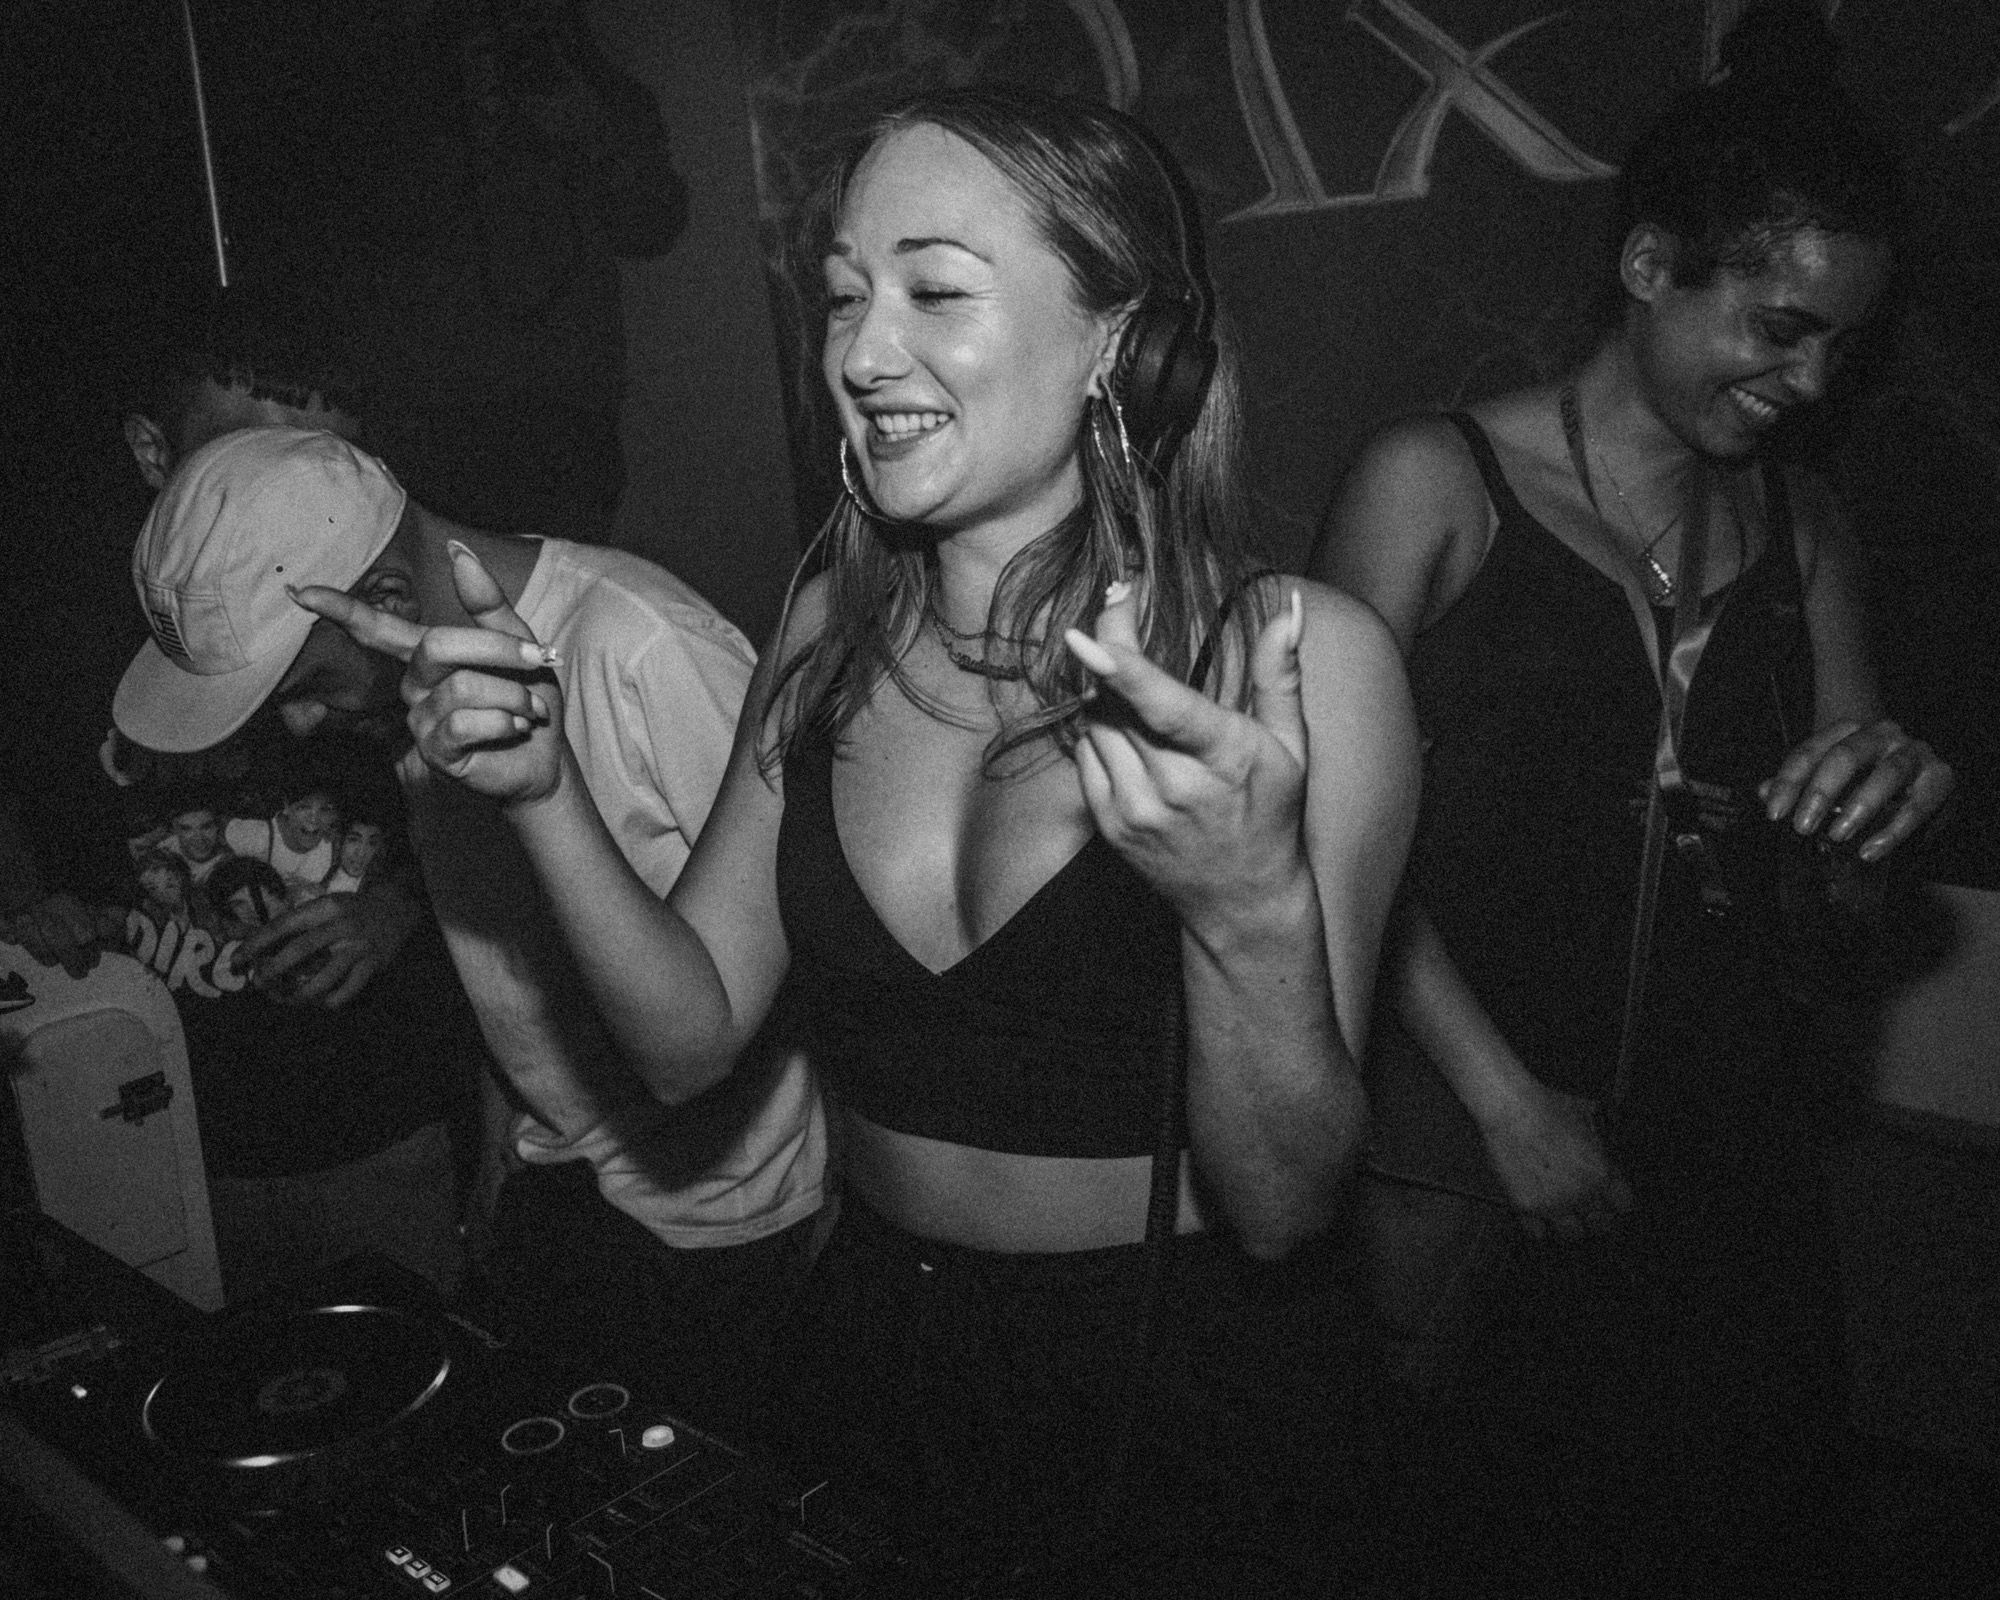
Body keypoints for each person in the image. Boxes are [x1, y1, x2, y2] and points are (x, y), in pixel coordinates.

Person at [299, 87, 1420, 1589]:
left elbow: (1284, 1212)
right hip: (873, 1353)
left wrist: (1246, 909)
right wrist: (540, 790)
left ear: (1125, 341)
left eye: (934, 291)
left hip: (1182, 1387)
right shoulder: (828, 625)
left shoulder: (1296, 661)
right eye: (842, 295)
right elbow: (687, 1042)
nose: (861, 354)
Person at [1311, 5, 1953, 1592]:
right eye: (1779, 327)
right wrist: (1504, 1103)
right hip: (1481, 1140)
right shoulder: (1432, 481)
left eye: (1841, 347)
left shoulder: (1805, 529)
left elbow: (1835, 922)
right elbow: (1326, 844)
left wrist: (1882, 822)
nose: (1810, 380)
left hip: (1731, 1156)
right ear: (1654, 265)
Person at [111, 424, 828, 1421]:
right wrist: (502, 1130)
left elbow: (813, 946)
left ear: (388, 600)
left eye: (306, 690)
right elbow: (507, 939)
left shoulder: (643, 648)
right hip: (560, 1188)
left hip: (723, 1225)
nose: (299, 727)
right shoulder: (417, 690)